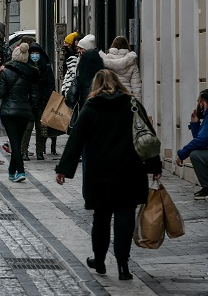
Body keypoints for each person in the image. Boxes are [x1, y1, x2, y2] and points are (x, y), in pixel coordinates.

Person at [55, 70, 163, 282]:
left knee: (101, 218)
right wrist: (154, 166)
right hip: (130, 171)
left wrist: (64, 169)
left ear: (96, 85)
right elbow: (147, 137)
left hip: (100, 173)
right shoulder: (132, 105)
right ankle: (123, 266)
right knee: (125, 218)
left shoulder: (91, 107)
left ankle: (100, 261)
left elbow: (76, 139)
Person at [0, 43, 40, 182]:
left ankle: (20, 171)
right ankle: (11, 170)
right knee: (17, 141)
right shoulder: (32, 72)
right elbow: (35, 96)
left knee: (14, 143)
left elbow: (0, 93)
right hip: (24, 112)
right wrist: (29, 106)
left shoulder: (5, 72)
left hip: (8, 112)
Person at [176, 90, 208, 200]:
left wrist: (182, 154)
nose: (197, 106)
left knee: (196, 155)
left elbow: (201, 142)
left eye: (198, 103)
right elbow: (201, 139)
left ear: (203, 103)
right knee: (197, 153)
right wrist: (195, 123)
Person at [21, 42, 56, 161]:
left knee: (42, 127)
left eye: (37, 53)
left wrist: (48, 98)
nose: (35, 55)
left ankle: (40, 151)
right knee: (28, 127)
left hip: (42, 101)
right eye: (32, 53)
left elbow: (51, 84)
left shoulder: (45, 66)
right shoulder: (25, 66)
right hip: (29, 101)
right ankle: (24, 151)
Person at [65, 34, 104, 116]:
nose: (78, 51)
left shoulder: (80, 78)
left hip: (84, 112)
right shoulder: (106, 76)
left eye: (80, 48)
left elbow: (70, 99)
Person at [101, 36, 143, 100]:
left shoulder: (106, 60)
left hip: (111, 96)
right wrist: (137, 102)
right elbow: (136, 86)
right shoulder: (131, 62)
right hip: (126, 97)